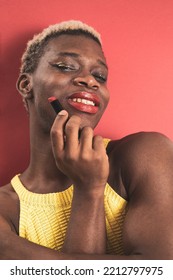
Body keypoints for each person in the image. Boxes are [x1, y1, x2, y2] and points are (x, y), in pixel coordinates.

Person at [0, 20, 173, 260]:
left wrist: (90, 188)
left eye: (99, 76)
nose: (89, 81)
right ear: (26, 84)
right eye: (66, 66)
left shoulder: (145, 155)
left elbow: (161, 273)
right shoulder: (5, 207)